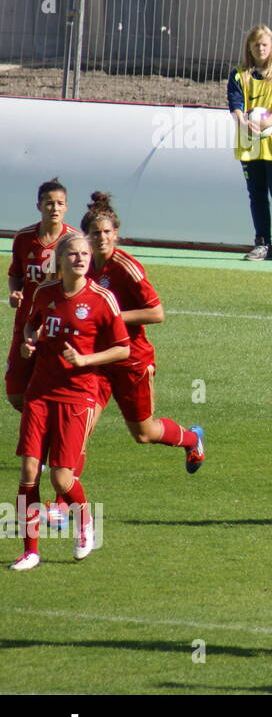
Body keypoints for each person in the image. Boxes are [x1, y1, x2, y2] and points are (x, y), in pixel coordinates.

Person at [11, 233, 129, 570]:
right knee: (29, 469)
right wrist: (28, 345)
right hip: (40, 391)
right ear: (60, 259)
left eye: (84, 254)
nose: (80, 259)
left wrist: (85, 361)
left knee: (61, 479)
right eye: (73, 253)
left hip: (77, 395)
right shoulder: (45, 293)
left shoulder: (102, 298)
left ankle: (85, 523)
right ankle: (30, 550)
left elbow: (122, 348)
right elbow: (32, 328)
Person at [81, 192, 205, 472]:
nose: (101, 238)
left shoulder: (128, 269)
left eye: (106, 232)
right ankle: (62, 501)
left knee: (144, 433)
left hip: (131, 359)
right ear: (85, 236)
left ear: (116, 234)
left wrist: (110, 316)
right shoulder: (81, 264)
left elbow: (156, 313)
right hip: (96, 360)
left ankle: (192, 439)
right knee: (80, 428)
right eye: (95, 233)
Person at [227, 23, 272, 262]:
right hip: (250, 143)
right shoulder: (239, 74)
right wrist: (243, 121)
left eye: (264, 44)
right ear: (249, 46)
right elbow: (235, 104)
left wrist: (269, 120)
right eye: (256, 44)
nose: (260, 48)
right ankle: (263, 245)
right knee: (257, 195)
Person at [7, 177, 76, 412]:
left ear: (66, 206)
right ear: (39, 206)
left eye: (59, 203)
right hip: (26, 321)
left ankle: (47, 436)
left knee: (56, 389)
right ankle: (40, 425)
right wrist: (14, 292)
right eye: (49, 203)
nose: (54, 208)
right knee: (16, 394)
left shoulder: (74, 241)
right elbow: (15, 274)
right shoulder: (24, 238)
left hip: (58, 324)